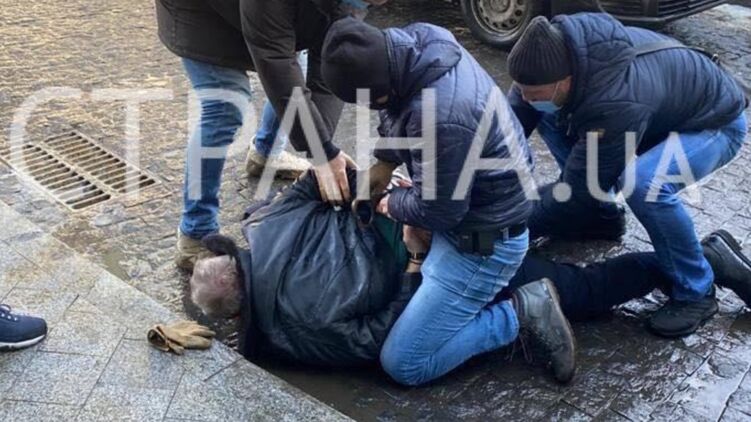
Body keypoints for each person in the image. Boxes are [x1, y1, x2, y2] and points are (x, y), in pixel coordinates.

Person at [188, 176, 751, 373]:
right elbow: (326, 179)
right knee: (518, 222)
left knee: (580, 290)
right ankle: (669, 249)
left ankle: (696, 260)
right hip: (429, 216)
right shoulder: (265, 222)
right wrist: (389, 194)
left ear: (239, 312)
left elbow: (383, 336)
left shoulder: (295, 332)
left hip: (441, 263)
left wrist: (413, 260)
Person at [319, 17, 578, 387]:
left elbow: (439, 211)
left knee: (404, 363)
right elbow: (396, 110)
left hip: (483, 244)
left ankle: (520, 313)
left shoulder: (440, 117)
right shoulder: (419, 44)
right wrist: (385, 163)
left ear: (379, 92)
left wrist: (391, 203)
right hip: (482, 201)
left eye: (370, 103)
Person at [506, 14, 749, 338]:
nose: (524, 97)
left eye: (533, 92)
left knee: (644, 183)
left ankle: (697, 290)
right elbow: (505, 136)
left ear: (566, 81)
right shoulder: (546, 60)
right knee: (547, 116)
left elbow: (579, 190)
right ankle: (600, 216)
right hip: (656, 114)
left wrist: (509, 225)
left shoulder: (613, 102)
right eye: (521, 89)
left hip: (714, 124)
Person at [154, 0, 389, 270]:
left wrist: (322, 148)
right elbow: (275, 60)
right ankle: (195, 231)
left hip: (264, 11)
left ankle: (266, 154)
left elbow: (327, 62)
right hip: (201, 12)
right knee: (225, 107)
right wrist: (322, 151)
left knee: (293, 69)